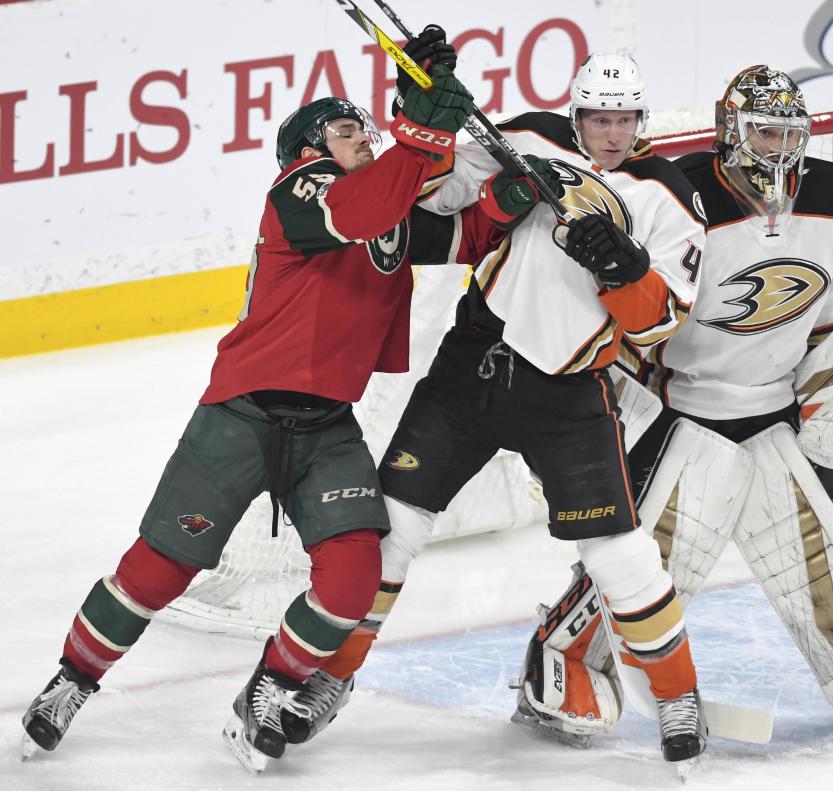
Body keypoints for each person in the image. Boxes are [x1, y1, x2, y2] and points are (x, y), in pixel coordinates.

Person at [20, 28, 507, 773]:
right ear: (310, 145)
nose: (364, 138)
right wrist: (423, 125)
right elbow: (366, 207)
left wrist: (512, 194)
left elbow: (462, 230)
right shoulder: (300, 189)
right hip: (241, 413)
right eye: (348, 129)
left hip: (327, 426)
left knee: (351, 580)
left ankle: (268, 689)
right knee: (158, 569)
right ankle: (71, 681)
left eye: (367, 128)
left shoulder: (383, 203)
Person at [507, 64, 833, 745]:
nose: (779, 147)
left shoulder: (831, 191)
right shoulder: (679, 191)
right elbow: (631, 315)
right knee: (646, 567)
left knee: (818, 557)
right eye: (764, 132)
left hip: (774, 415)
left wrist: (832, 383)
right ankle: (565, 669)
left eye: (788, 133)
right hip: (684, 413)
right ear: (732, 129)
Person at [309, 52, 711, 765]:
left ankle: (679, 697)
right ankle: (329, 678)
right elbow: (434, 197)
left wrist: (624, 271)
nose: (610, 134)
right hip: (472, 370)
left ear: (640, 120)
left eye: (623, 120)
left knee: (620, 557)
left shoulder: (668, 197)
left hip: (568, 394)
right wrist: (426, 121)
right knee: (391, 530)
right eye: (597, 118)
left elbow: (658, 326)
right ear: (575, 111)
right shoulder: (522, 139)